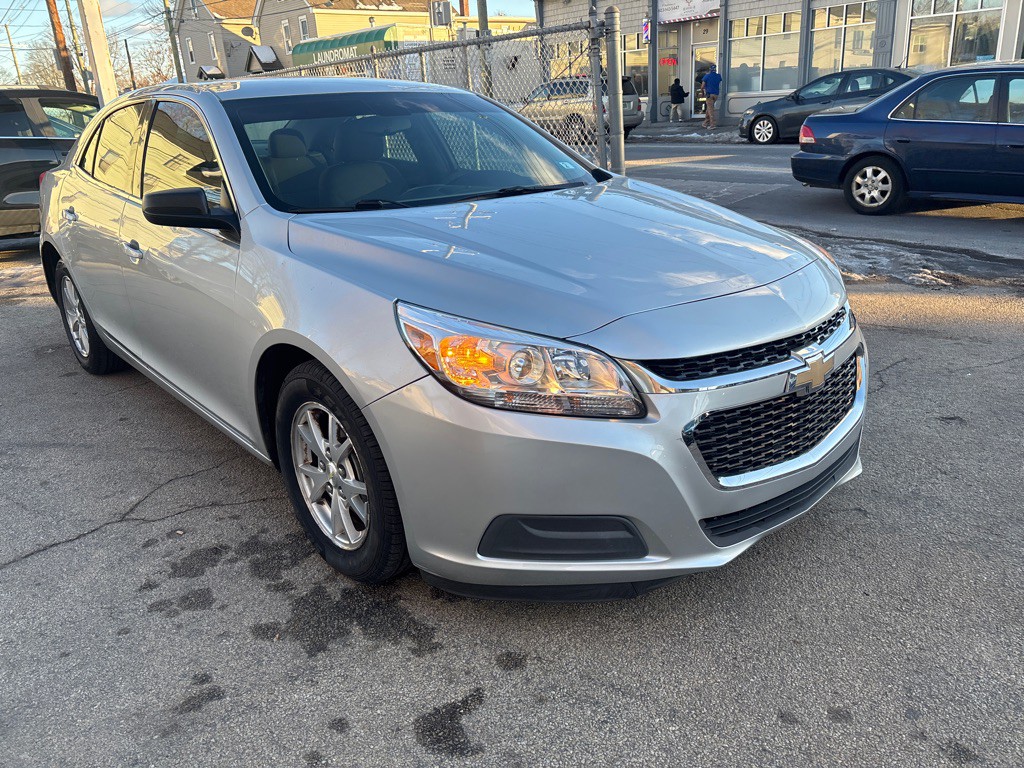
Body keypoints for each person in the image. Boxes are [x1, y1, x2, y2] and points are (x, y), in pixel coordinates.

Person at [701, 64, 723, 129]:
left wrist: (702, 93)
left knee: (711, 110)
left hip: (709, 94)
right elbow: (718, 82)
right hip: (716, 94)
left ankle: (712, 125)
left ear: (710, 69)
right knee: (709, 108)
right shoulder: (718, 76)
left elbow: (702, 86)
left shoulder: (706, 76)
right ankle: (705, 123)